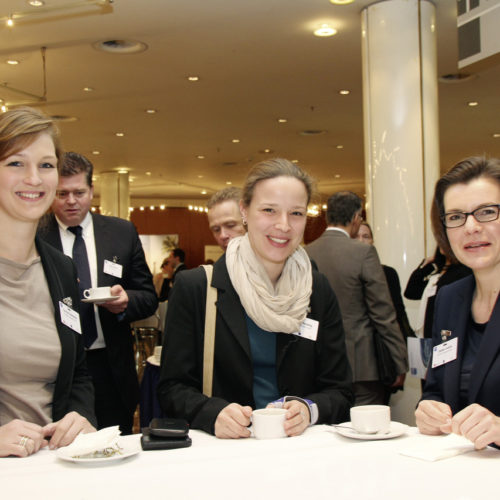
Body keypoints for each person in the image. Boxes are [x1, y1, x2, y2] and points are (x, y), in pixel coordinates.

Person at [158, 158, 353, 438]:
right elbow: (171, 388)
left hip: (297, 455)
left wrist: (310, 409)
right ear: (245, 211)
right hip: (225, 455)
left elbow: (341, 391)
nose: (283, 225)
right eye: (269, 210)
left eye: (296, 213)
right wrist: (212, 413)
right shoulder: (197, 288)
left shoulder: (316, 289)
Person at [39, 152, 158, 435]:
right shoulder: (37, 234)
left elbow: (148, 297)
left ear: (92, 191)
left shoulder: (121, 232)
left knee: (117, 442)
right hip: (58, 369)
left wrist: (127, 301)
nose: (71, 201)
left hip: (111, 365)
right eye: (62, 193)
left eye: (79, 192)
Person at [0, 107, 96, 458]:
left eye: (45, 165)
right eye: (15, 163)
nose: (34, 179)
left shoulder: (60, 269)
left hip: (49, 470)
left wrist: (80, 418)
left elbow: (79, 371)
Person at [416, 156, 500, 450]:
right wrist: (428, 409)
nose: (471, 227)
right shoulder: (450, 298)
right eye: (455, 217)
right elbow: (437, 388)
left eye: (487, 212)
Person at [306, 192, 408, 406]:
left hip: (318, 362)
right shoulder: (364, 253)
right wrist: (399, 361)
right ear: (355, 218)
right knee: (367, 429)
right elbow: (383, 313)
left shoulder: (306, 253)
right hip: (362, 365)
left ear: (327, 218)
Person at [356, 221, 414, 340]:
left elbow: (399, 313)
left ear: (372, 242)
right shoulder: (343, 275)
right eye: (356, 236)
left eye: (366, 236)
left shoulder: (388, 273)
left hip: (384, 342)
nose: (361, 240)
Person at [405, 246, 471, 339]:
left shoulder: (463, 272)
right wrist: (426, 265)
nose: (442, 244)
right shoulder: (436, 275)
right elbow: (411, 292)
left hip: (447, 335)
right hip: (429, 334)